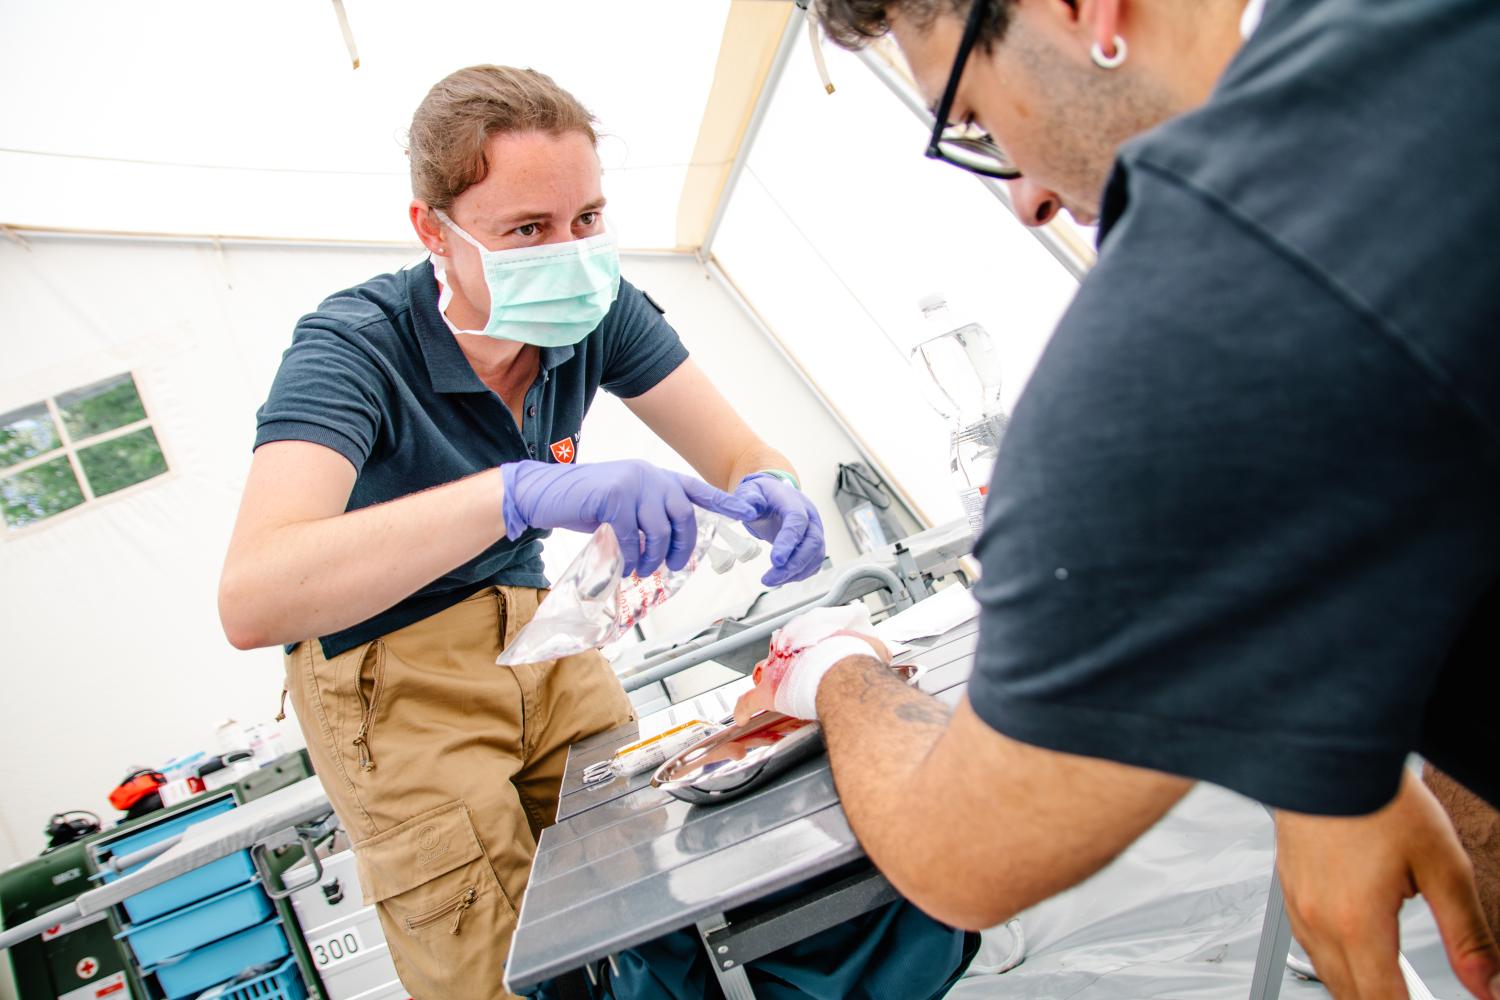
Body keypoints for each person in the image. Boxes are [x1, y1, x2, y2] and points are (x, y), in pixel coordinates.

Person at [735, 0, 1500, 996]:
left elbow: (960, 851)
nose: (1023, 202)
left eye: (969, 120)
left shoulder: (1176, 324)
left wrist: (836, 667)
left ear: (1080, 10)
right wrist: (1326, 740)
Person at [218, 65, 825, 999]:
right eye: (527, 231)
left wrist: (770, 484)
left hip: (544, 639)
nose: (573, 252)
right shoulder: (353, 348)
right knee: (490, 963)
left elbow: (735, 445)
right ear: (434, 230)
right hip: (392, 678)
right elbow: (255, 596)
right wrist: (517, 493)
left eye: (587, 218)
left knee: (656, 896)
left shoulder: (597, 311)